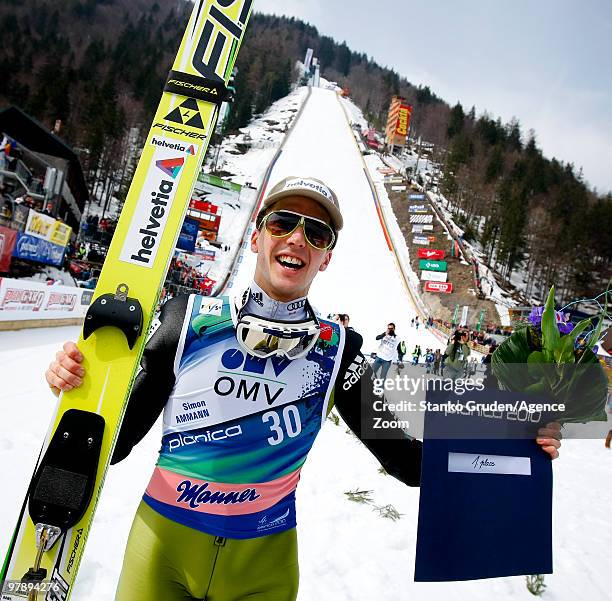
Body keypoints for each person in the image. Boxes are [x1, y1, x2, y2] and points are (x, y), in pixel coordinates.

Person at [45, 176, 561, 601]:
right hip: (160, 552)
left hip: (263, 571)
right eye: (283, 222)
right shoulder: (190, 320)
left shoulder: (338, 349)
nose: (297, 238)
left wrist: (514, 445)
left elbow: (406, 462)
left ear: (326, 257)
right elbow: (113, 441)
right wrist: (77, 381)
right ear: (256, 236)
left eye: (316, 233)